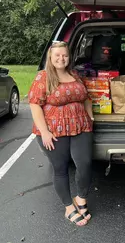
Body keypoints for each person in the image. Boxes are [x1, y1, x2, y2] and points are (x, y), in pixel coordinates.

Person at [29, 41, 94, 226]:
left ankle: (81, 198)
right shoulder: (43, 77)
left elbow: (86, 97)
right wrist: (44, 132)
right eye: (57, 55)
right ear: (51, 57)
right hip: (53, 130)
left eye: (64, 55)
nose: (61, 58)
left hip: (81, 126)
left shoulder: (75, 74)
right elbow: (35, 104)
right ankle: (68, 207)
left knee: (85, 164)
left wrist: (90, 118)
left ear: (69, 56)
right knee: (60, 168)